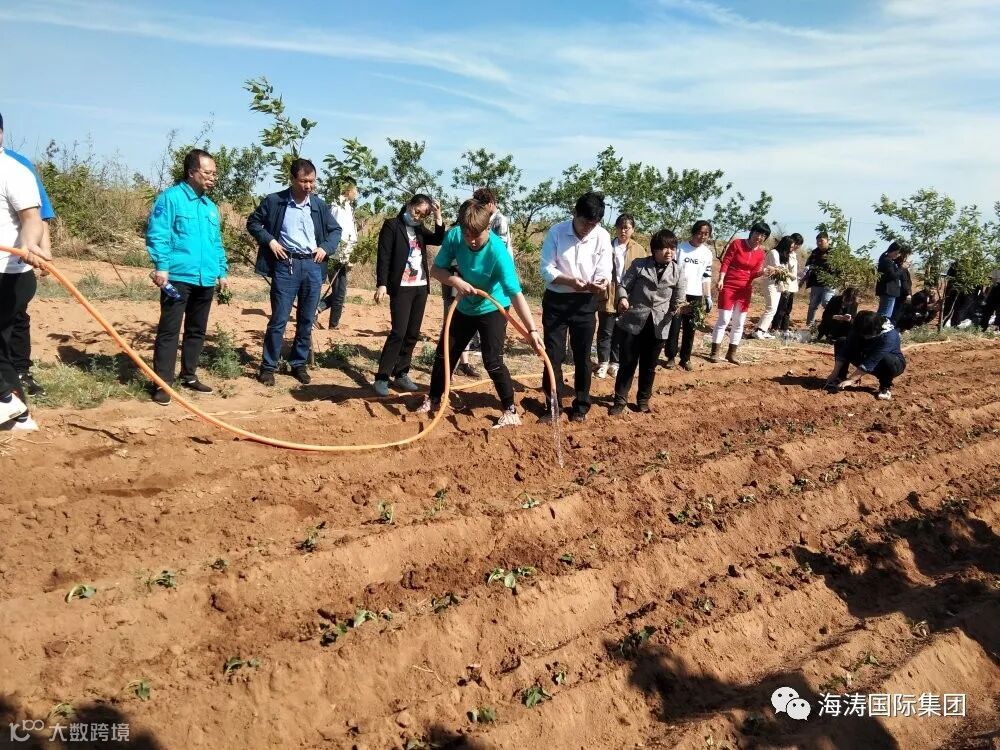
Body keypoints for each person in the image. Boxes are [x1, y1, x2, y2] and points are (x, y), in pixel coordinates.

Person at [417, 199, 543, 427]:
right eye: (467, 235)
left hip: (493, 306)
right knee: (445, 353)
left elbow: (515, 294)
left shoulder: (498, 252)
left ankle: (510, 409)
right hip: (464, 305)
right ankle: (434, 398)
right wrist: (455, 280)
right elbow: (436, 270)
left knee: (492, 360)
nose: (472, 241)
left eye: (477, 235)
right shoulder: (455, 236)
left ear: (488, 228)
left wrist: (532, 330)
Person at [247, 158, 342, 386]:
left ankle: (298, 364)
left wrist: (325, 248)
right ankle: (268, 367)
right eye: (304, 181)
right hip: (285, 265)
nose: (308, 186)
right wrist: (270, 241)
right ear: (292, 179)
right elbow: (253, 223)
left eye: (312, 181)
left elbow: (335, 230)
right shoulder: (275, 201)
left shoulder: (319, 205)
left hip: (312, 266)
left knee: (306, 319)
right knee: (279, 319)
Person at [146, 148, 230, 406]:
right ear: (192, 172)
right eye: (208, 172)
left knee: (197, 330)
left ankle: (189, 376)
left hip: (205, 278)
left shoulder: (210, 207)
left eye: (214, 173)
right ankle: (163, 384)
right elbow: (158, 234)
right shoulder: (170, 199)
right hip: (178, 277)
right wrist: (162, 266)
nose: (212, 177)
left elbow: (217, 242)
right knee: (169, 330)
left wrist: (222, 271)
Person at [539, 192, 612, 422]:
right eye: (584, 223)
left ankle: (581, 406)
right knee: (553, 355)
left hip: (586, 303)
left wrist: (601, 282)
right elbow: (546, 269)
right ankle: (553, 407)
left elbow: (605, 270)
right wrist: (569, 281)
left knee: (582, 356)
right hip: (557, 302)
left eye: (593, 224)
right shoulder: (557, 232)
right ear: (574, 213)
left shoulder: (602, 236)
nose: (587, 229)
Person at [0, 115, 55, 398]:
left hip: (10, 267)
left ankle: (19, 378)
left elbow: (36, 215)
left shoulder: (17, 167)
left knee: (15, 321)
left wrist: (37, 248)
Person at [373, 194, 444, 396]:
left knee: (412, 333)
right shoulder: (392, 225)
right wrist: (382, 284)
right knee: (398, 333)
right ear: (409, 205)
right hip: (401, 287)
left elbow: (438, 239)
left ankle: (401, 373)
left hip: (420, 286)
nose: (417, 216)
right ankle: (382, 377)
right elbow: (384, 256)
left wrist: (438, 216)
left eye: (423, 215)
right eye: (416, 211)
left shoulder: (419, 228)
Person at [610, 229, 687, 415]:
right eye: (664, 248)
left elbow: (678, 300)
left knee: (649, 366)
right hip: (634, 322)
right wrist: (623, 299)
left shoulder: (678, 271)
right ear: (655, 249)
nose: (669, 252)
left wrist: (680, 309)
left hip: (659, 326)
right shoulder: (640, 265)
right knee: (628, 363)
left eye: (672, 248)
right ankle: (619, 400)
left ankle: (643, 400)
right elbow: (623, 286)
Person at [709, 221, 770, 364]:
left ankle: (731, 354)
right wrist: (721, 279)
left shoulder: (761, 253)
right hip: (729, 285)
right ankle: (714, 352)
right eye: (757, 233)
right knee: (724, 319)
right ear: (752, 232)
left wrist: (763, 272)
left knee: (739, 322)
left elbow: (753, 274)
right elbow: (726, 262)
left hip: (744, 289)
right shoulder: (737, 244)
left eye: (763, 235)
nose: (759, 237)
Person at [596, 213, 644, 379]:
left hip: (628, 295)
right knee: (605, 330)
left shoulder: (639, 250)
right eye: (620, 227)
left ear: (633, 230)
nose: (623, 231)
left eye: (627, 228)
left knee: (621, 331)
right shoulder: (607, 246)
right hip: (608, 293)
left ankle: (615, 363)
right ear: (615, 228)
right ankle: (603, 363)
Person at [664, 220, 714, 370]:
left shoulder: (707, 253)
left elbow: (706, 276)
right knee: (674, 326)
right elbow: (671, 270)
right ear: (693, 232)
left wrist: (708, 296)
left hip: (696, 295)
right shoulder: (680, 248)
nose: (702, 236)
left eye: (706, 234)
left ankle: (685, 358)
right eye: (700, 233)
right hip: (679, 293)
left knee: (690, 328)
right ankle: (671, 356)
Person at [825, 311, 906, 401]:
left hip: (889, 365)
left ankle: (885, 387)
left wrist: (852, 379)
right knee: (842, 342)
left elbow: (873, 359)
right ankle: (840, 377)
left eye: (866, 334)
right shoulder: (859, 326)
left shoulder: (889, 336)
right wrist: (834, 372)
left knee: (886, 359)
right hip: (865, 356)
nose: (864, 337)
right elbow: (846, 348)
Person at [318, 177, 358, 329]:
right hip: (336, 255)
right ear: (348, 190)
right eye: (355, 189)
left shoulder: (347, 206)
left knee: (339, 291)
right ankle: (325, 319)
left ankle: (329, 321)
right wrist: (344, 256)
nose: (357, 193)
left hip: (342, 255)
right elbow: (339, 234)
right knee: (339, 292)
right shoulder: (338, 207)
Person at [752, 233, 802, 339]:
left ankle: (761, 330)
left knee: (773, 309)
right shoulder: (774, 253)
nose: (791, 249)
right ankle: (759, 330)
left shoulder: (783, 255)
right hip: (770, 283)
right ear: (785, 245)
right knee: (771, 308)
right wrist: (790, 275)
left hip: (777, 284)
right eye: (791, 247)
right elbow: (778, 268)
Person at [803, 232, 835, 326]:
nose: (819, 243)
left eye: (821, 241)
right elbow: (808, 265)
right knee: (813, 305)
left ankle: (829, 322)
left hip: (829, 283)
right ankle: (809, 324)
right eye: (817, 241)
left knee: (827, 303)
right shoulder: (815, 252)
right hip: (816, 283)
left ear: (828, 241)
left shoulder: (834, 253)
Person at [472, 187, 512, 256]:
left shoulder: (500, 220)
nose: (480, 209)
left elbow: (500, 246)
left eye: (481, 206)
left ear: (490, 204)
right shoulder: (486, 219)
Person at [875, 241, 907, 318]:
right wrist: (902, 268)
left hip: (888, 291)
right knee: (885, 314)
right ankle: (880, 325)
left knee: (884, 312)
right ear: (894, 251)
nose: (898, 255)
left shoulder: (887, 260)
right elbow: (892, 275)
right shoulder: (887, 261)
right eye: (897, 253)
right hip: (888, 291)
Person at [890, 247, 913, 326]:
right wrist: (908, 293)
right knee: (897, 313)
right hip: (901, 293)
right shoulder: (901, 265)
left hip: (899, 292)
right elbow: (904, 280)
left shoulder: (897, 264)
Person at [980, 266, 1000, 332]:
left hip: (994, 292)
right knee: (988, 311)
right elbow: (992, 283)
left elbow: (992, 284)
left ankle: (984, 327)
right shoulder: (996, 270)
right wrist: (986, 295)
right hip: (994, 292)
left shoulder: (996, 270)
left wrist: (986, 295)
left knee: (989, 311)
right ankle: (984, 327)